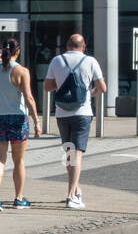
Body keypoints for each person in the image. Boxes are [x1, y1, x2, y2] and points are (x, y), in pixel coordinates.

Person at [44, 33, 107, 209]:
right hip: (82, 112)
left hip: (62, 112)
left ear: (67, 45)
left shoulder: (57, 61)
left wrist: (64, 86)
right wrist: (88, 93)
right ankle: (71, 195)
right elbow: (102, 88)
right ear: (83, 47)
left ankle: (76, 189)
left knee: (69, 152)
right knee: (77, 153)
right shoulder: (90, 61)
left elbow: (47, 87)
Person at [0, 38, 40, 211]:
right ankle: (19, 198)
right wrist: (36, 121)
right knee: (19, 161)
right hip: (17, 118)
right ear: (18, 51)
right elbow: (29, 98)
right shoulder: (22, 71)